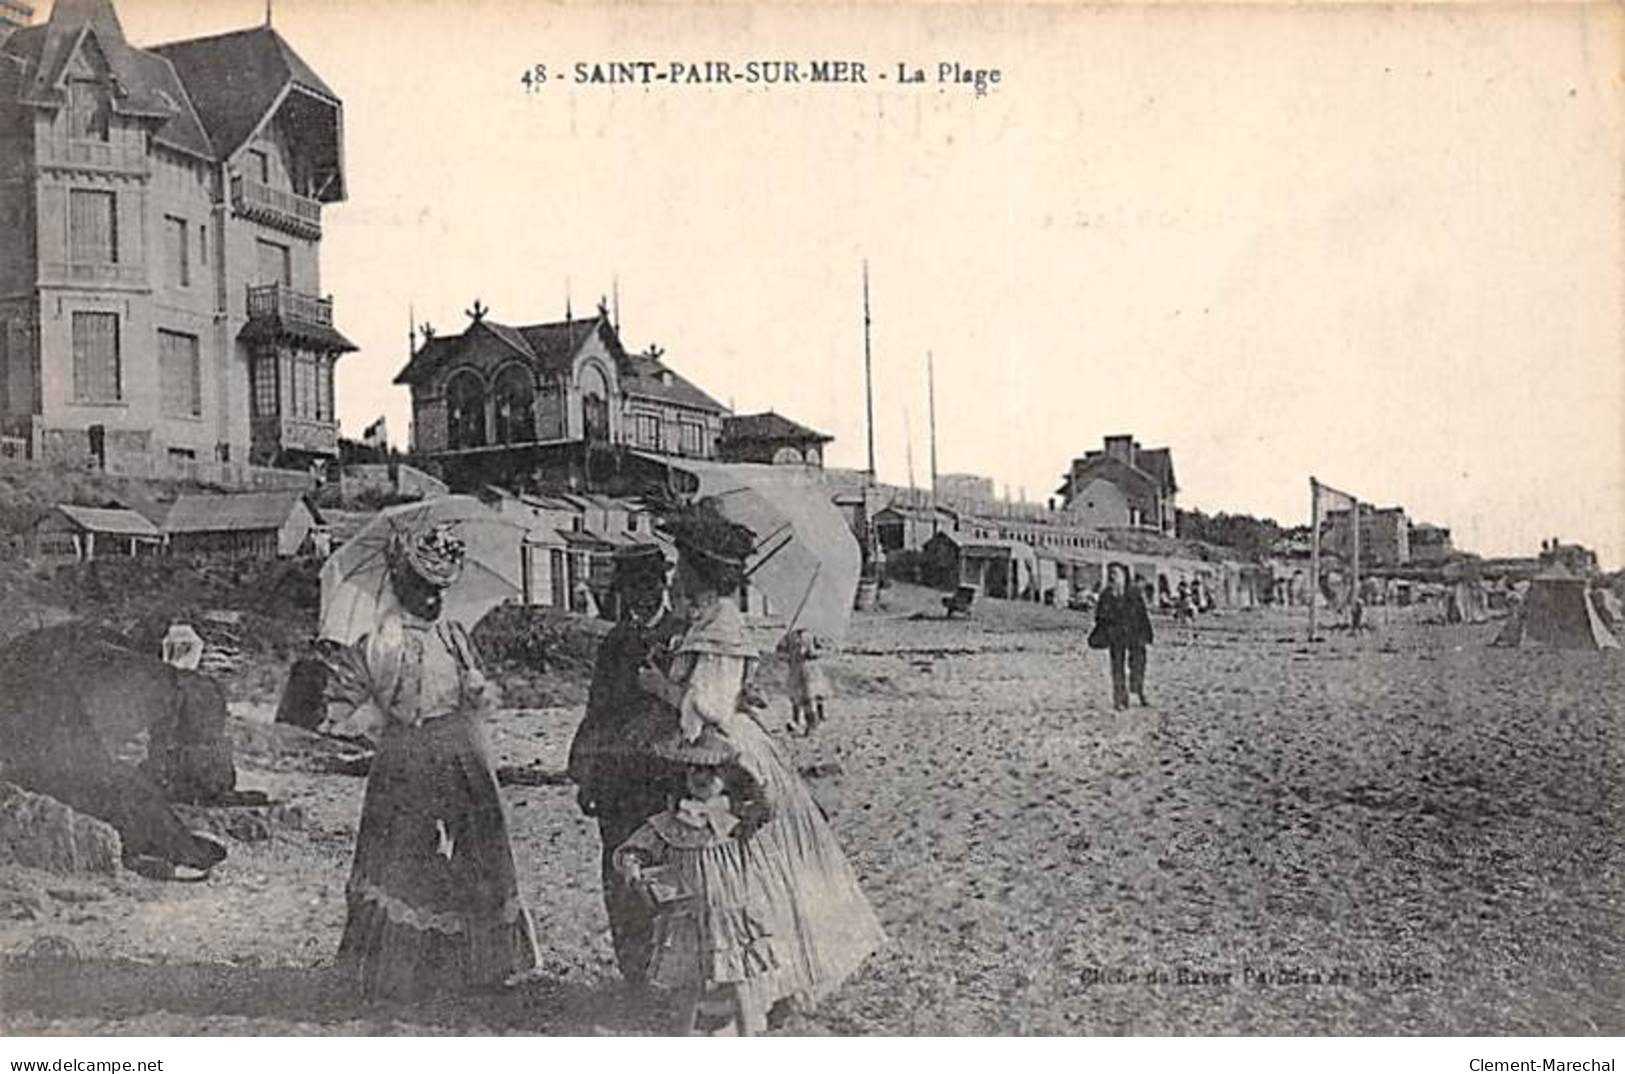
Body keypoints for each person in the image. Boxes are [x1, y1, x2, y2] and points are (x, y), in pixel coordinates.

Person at [636, 500, 886, 1017]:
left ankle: (762, 982)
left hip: (723, 752)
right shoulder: (714, 620)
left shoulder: (719, 624)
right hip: (733, 741)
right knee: (768, 866)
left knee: (741, 867)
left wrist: (659, 685)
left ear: (701, 573)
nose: (677, 574)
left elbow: (707, 705)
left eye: (683, 565)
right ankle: (770, 981)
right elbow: (726, 685)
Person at [323, 523, 539, 1002]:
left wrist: (478, 690)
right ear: (404, 587)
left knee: (481, 844)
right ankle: (401, 966)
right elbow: (356, 701)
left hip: (461, 745)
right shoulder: (384, 637)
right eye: (424, 589)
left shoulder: (454, 633)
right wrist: (385, 708)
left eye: (440, 590)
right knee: (402, 848)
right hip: (408, 751)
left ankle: (483, 963)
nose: (433, 599)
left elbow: (475, 685)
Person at [612, 726, 781, 1036]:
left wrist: (748, 769)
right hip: (686, 915)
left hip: (729, 915)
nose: (702, 776)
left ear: (727, 777)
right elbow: (634, 848)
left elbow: (768, 806)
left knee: (738, 980)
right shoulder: (668, 824)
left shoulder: (735, 822)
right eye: (693, 769)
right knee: (687, 986)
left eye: (712, 770)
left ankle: (748, 1038)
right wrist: (633, 867)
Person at [568, 543, 685, 986]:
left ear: (662, 585)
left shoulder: (683, 636)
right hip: (618, 778)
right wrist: (587, 772)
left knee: (666, 871)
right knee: (620, 871)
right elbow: (597, 707)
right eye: (629, 590)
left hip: (665, 776)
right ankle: (633, 971)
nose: (638, 597)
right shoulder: (615, 641)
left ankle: (668, 967)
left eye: (645, 587)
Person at [1092, 563, 1154, 710]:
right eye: (1110, 574)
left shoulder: (1134, 592)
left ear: (1124, 575)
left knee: (1138, 664)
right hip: (1116, 635)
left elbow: (1142, 614)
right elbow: (1099, 616)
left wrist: (1147, 634)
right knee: (1117, 668)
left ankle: (1138, 690)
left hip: (1134, 633)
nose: (1113, 577)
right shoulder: (1106, 594)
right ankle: (1120, 699)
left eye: (1116, 573)